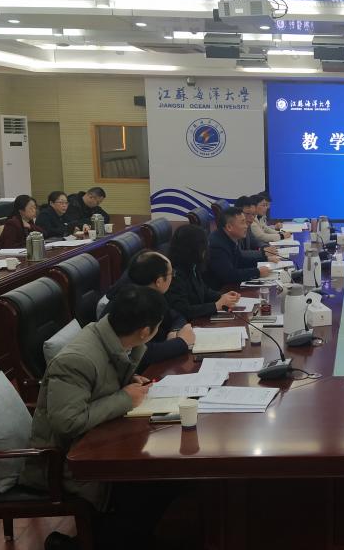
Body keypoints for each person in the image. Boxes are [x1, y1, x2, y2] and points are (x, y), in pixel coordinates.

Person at [21, 284, 178, 549]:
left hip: (97, 439)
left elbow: (99, 386)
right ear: (145, 331)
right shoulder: (77, 359)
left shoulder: (116, 340)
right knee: (157, 479)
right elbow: (67, 422)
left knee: (165, 474)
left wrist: (128, 382)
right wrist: (124, 398)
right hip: (65, 461)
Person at [101, 250, 196, 372]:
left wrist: (174, 331)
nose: (173, 277)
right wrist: (181, 342)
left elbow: (176, 316)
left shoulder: (151, 294)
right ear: (159, 281)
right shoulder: (130, 302)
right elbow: (139, 352)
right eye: (171, 274)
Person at [166, 224, 241, 321]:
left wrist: (222, 296)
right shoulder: (174, 274)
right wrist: (216, 305)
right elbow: (183, 310)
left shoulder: (192, 264)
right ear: (191, 248)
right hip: (186, 325)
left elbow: (203, 290)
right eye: (203, 245)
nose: (206, 249)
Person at [206, 207, 272, 289]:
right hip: (221, 290)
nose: (246, 226)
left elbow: (240, 260)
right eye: (242, 222)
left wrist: (265, 259)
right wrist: (257, 272)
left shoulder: (230, 237)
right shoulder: (217, 246)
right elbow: (229, 275)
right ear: (229, 227)